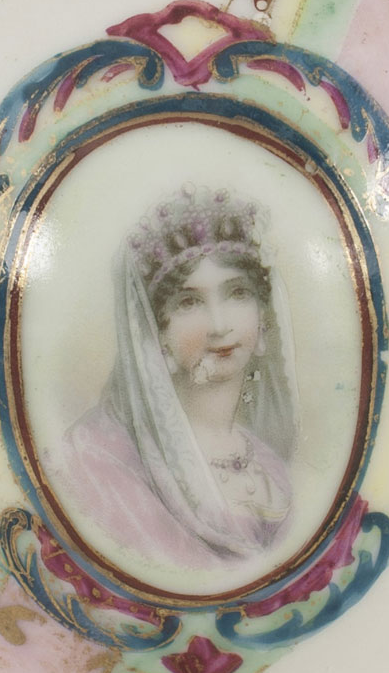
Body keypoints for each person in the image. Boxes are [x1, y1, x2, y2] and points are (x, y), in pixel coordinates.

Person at [59, 186, 300, 570]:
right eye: (189, 302)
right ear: (158, 334)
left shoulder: (273, 469)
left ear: (263, 319)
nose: (219, 325)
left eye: (237, 293)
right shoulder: (95, 458)